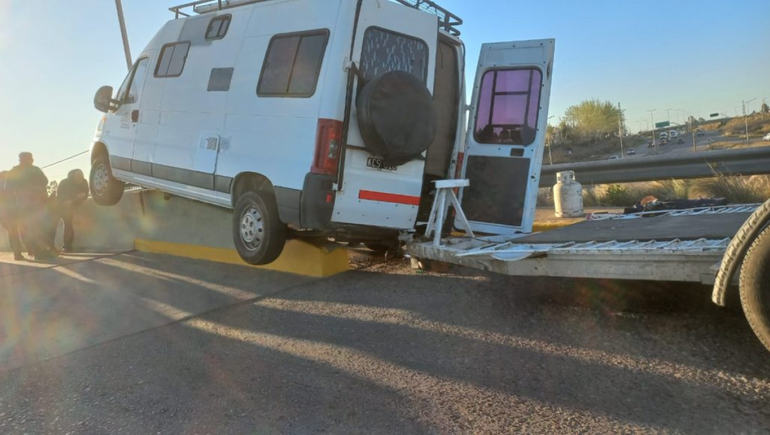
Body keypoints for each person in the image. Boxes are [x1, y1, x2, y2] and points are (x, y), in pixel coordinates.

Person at [6, 152, 56, 261]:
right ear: (31, 159)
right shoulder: (34, 169)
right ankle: (39, 252)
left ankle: (36, 250)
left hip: (21, 204)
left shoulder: (14, 171)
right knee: (38, 227)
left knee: (29, 228)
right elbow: (45, 181)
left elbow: (8, 187)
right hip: (35, 204)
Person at [53, 169, 89, 252]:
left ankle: (67, 246)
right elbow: (60, 195)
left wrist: (72, 200)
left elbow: (84, 195)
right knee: (53, 226)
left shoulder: (84, 182)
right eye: (77, 176)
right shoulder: (64, 182)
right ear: (72, 177)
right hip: (58, 206)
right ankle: (50, 246)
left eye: (81, 175)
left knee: (68, 225)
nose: (80, 178)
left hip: (70, 207)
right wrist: (73, 198)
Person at [0, 171, 25, 260]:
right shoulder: (8, 186)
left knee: (12, 232)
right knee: (15, 231)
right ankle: (18, 252)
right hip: (11, 212)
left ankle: (17, 251)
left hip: (3, 213)